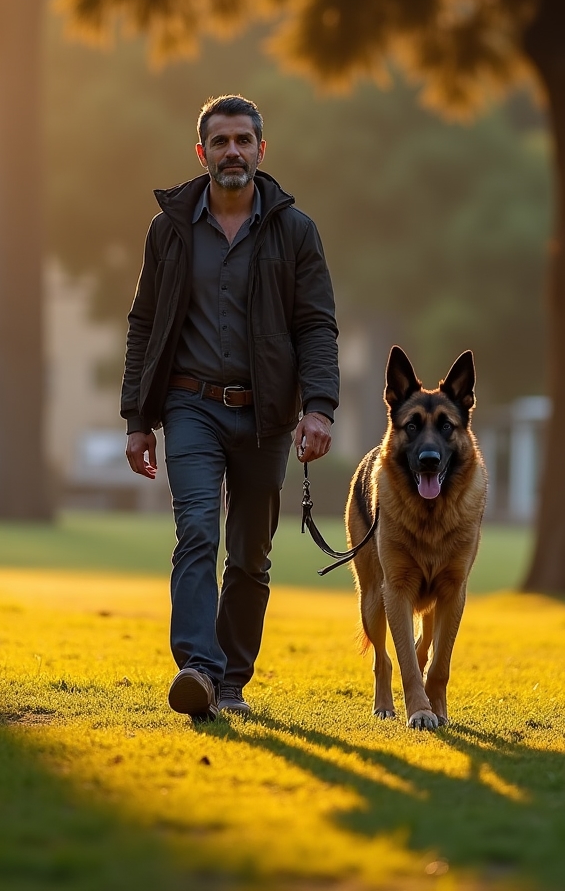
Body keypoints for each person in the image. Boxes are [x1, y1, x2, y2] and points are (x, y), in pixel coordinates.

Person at [122, 94, 339, 720]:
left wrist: (319, 407)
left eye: (243, 140)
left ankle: (232, 681)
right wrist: (138, 419)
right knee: (196, 529)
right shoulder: (168, 230)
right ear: (202, 153)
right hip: (189, 405)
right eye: (220, 142)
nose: (233, 152)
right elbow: (143, 324)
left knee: (250, 555)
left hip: (266, 415)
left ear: (261, 150)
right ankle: (198, 667)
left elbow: (316, 325)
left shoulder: (296, 232)